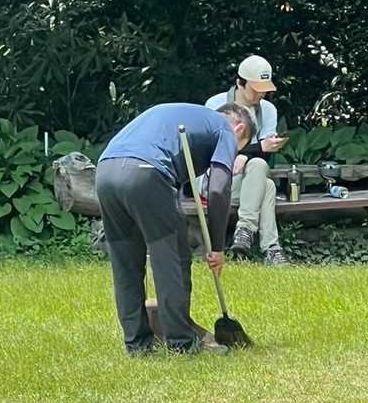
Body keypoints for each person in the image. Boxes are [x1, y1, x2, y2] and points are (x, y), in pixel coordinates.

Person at [96, 102, 254, 356]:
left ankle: (137, 345)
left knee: (126, 262)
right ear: (240, 128)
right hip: (146, 172)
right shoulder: (224, 129)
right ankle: (182, 343)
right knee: (172, 257)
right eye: (239, 148)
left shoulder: (186, 118)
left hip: (105, 171)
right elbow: (218, 189)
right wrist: (217, 247)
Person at [205, 54, 289, 266]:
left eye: (265, 89)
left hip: (251, 181)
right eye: (256, 89)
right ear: (240, 83)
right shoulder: (215, 104)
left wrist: (250, 154)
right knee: (267, 185)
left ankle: (246, 232)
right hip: (218, 184)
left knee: (260, 169)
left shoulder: (268, 110)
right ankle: (270, 247)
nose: (262, 94)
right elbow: (209, 150)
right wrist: (257, 148)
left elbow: (264, 155)